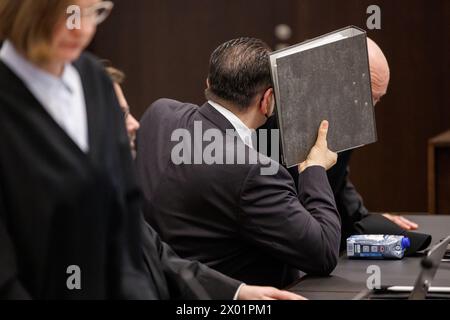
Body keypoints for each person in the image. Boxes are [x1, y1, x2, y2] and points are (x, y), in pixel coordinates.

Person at [0, 0, 303, 300]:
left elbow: (138, 240)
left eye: (93, 12)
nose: (81, 28)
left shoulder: (93, 81)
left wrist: (236, 293)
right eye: (67, 13)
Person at [136, 37, 341, 288]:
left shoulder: (160, 114)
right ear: (267, 100)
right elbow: (324, 253)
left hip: (154, 284)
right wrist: (315, 169)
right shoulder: (254, 173)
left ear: (209, 83)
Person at [269, 38, 418, 248]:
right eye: (367, 96)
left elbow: (336, 181)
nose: (369, 111)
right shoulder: (271, 118)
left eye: (377, 99)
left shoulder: (345, 112)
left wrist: (366, 219)